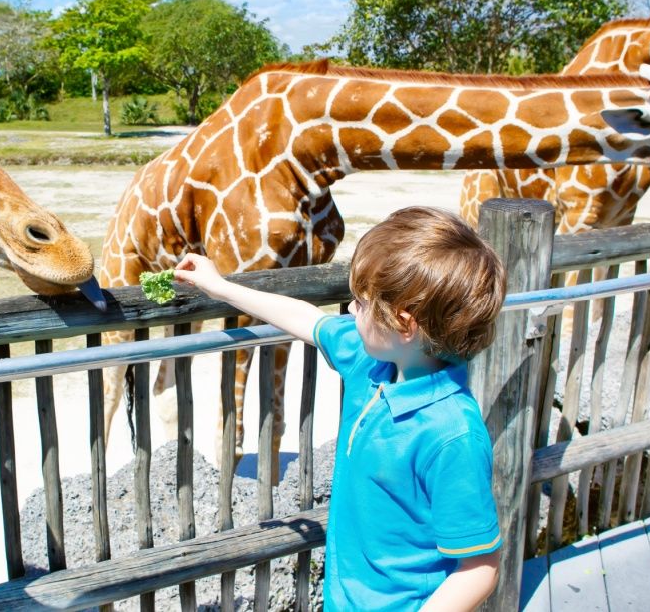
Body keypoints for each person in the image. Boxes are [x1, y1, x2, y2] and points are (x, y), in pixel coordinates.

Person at [174, 206, 506, 611]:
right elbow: (306, 318)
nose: (350, 310)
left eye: (362, 304)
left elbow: (481, 565)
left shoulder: (452, 434)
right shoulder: (373, 362)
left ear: (404, 324)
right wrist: (221, 287)